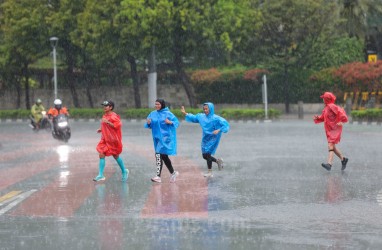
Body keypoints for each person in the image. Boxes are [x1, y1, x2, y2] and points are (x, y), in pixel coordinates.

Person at [181, 102, 229, 177]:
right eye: (204, 109)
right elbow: (194, 118)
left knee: (207, 154)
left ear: (211, 109)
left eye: (207, 109)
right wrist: (185, 113)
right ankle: (218, 161)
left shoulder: (216, 118)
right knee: (204, 156)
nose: (205, 110)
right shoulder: (201, 117)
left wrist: (219, 130)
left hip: (213, 137)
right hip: (205, 137)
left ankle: (210, 172)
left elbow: (225, 124)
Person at [145, 99, 180, 183]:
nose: (156, 106)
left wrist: (170, 122)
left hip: (166, 138)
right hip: (157, 138)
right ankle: (173, 172)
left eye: (158, 104)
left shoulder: (168, 113)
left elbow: (177, 123)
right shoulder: (152, 114)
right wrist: (149, 123)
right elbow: (149, 126)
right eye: (155, 104)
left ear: (162, 105)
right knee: (164, 156)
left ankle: (158, 176)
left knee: (158, 154)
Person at [93, 100, 129, 182]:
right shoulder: (105, 115)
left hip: (113, 140)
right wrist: (101, 129)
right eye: (104, 106)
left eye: (106, 106)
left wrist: (108, 122)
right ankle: (100, 175)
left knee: (116, 156)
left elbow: (118, 126)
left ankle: (124, 171)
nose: (104, 107)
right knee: (101, 154)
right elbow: (106, 126)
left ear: (111, 107)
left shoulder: (114, 116)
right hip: (105, 139)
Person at [314, 92, 349, 171]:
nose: (322, 99)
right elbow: (323, 117)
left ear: (326, 99)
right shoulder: (326, 108)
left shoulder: (332, 106)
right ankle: (343, 159)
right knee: (333, 147)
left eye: (323, 98)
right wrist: (318, 117)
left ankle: (329, 164)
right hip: (330, 130)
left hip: (335, 129)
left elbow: (341, 113)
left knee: (330, 145)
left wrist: (342, 121)